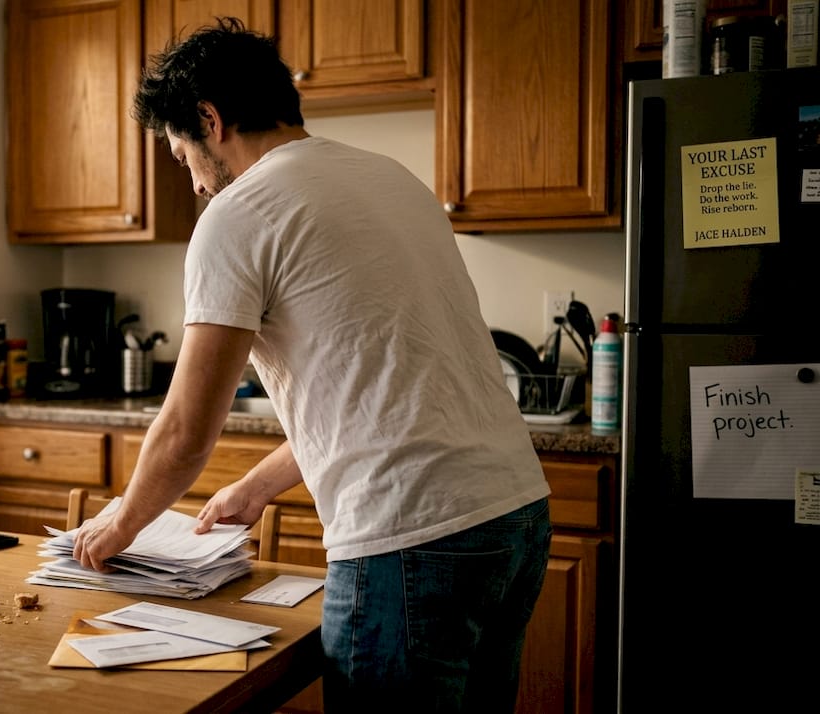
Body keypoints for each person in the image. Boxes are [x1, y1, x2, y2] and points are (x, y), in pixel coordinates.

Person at [72, 17, 552, 712]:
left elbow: (184, 432)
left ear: (210, 120)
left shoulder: (241, 213)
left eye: (183, 156)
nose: (197, 185)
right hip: (514, 519)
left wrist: (118, 526)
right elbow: (381, 381)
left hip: (411, 537)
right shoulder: (390, 180)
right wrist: (259, 485)